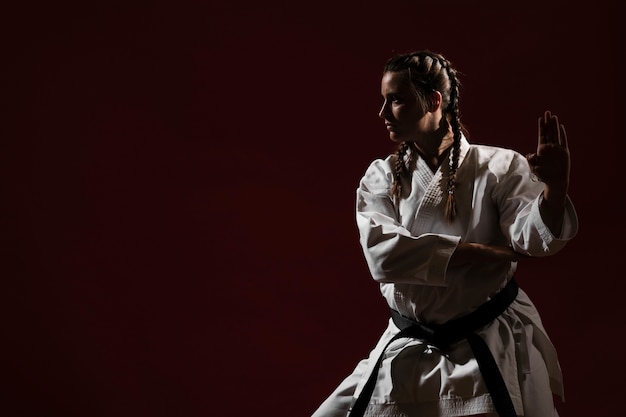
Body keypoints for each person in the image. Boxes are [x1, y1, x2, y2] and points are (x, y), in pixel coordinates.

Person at [311, 50, 578, 417]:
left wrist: (555, 191)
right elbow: (382, 255)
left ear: (434, 101)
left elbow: (530, 238)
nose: (383, 113)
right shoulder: (382, 177)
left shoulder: (499, 167)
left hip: (485, 343)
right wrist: (473, 253)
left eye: (396, 100)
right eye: (383, 100)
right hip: (409, 343)